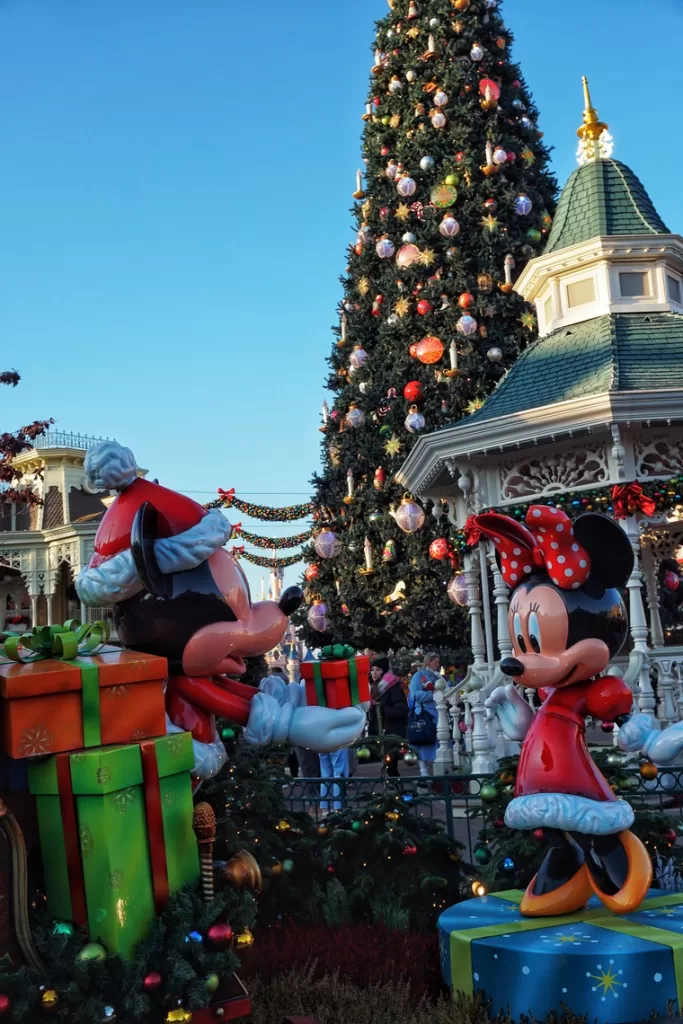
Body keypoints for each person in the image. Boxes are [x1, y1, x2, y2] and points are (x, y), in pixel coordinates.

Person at [368, 656, 408, 777]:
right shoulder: (373, 688)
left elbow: (402, 709)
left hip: (391, 732)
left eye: (378, 670)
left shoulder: (392, 688)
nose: (374, 673)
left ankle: (395, 790)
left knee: (391, 766)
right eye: (372, 670)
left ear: (384, 671)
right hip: (379, 731)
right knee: (385, 766)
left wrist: (382, 710)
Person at [408, 653, 441, 778]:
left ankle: (435, 770)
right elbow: (414, 695)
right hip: (423, 712)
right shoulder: (419, 676)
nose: (438, 664)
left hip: (436, 712)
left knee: (436, 741)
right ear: (429, 662)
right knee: (422, 739)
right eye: (436, 662)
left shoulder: (437, 676)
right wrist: (433, 695)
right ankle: (423, 770)